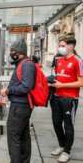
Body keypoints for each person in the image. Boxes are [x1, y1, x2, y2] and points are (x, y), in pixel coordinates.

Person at [0, 38, 36, 163]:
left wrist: (8, 91)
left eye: (12, 51)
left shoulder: (26, 65)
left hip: (19, 108)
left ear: (18, 52)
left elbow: (26, 87)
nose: (11, 53)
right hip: (21, 107)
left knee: (13, 137)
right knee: (23, 136)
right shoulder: (23, 64)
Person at [49, 34, 83, 162]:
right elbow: (59, 76)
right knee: (56, 123)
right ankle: (62, 145)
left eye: (62, 46)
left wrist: (62, 85)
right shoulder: (59, 60)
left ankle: (67, 151)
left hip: (70, 99)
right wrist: (51, 83)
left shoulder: (78, 61)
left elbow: (81, 82)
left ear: (71, 46)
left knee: (68, 125)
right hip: (56, 97)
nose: (60, 48)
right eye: (59, 45)